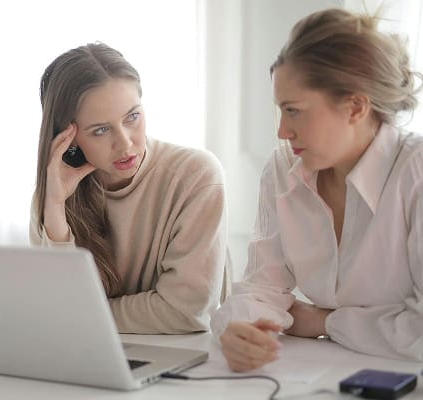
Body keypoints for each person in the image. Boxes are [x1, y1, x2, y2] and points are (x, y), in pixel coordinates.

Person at [212, 8, 423, 371]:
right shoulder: (282, 170)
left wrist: (326, 322)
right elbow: (262, 286)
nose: (282, 131)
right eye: (281, 110)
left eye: (294, 111)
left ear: (355, 107)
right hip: (320, 374)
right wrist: (241, 329)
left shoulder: (415, 173)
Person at [30, 42, 230, 334]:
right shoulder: (55, 193)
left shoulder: (196, 175)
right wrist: (56, 209)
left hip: (187, 356)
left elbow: (185, 312)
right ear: (68, 138)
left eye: (132, 117)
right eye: (100, 130)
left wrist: (85, 313)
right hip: (94, 353)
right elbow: (56, 306)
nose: (125, 143)